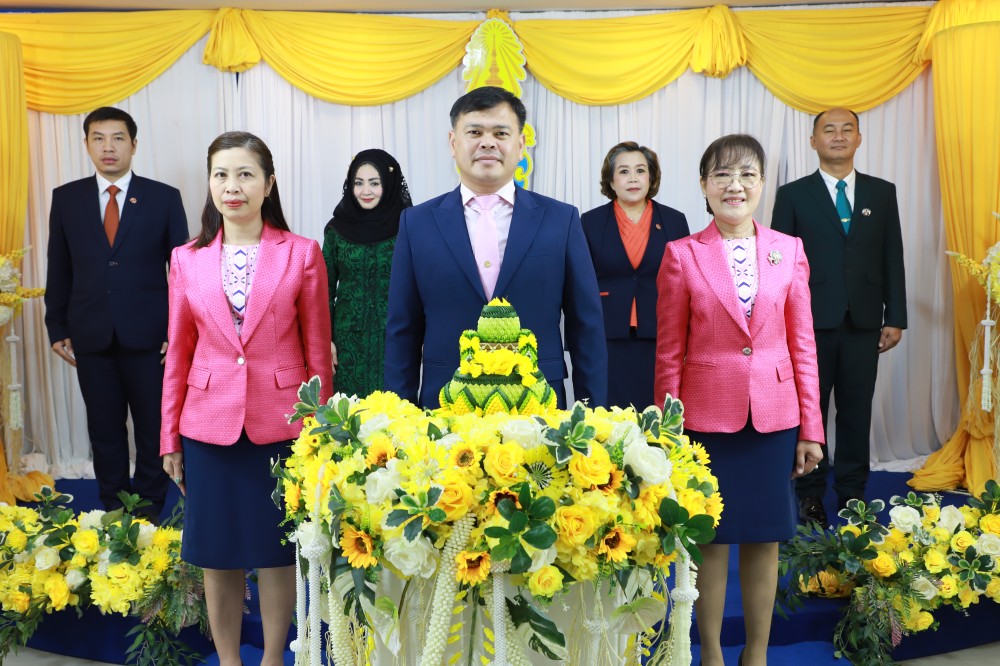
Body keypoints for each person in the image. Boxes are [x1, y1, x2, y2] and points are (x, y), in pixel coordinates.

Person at [160, 132, 332, 666]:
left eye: (245, 175)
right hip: (207, 426)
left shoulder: (301, 253)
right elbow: (178, 353)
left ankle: (273, 658)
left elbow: (318, 352)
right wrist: (169, 437)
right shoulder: (186, 259)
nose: (232, 186)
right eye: (221, 175)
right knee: (217, 556)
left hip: (282, 426)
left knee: (276, 553)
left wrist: (322, 431)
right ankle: (230, 660)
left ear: (268, 184)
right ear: (209, 183)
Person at [653, 134, 824, 666]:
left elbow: (802, 345)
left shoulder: (788, 250)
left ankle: (757, 654)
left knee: (765, 538)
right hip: (706, 419)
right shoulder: (682, 255)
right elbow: (669, 352)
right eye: (722, 175)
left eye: (747, 174)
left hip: (775, 416)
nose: (735, 185)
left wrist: (812, 428)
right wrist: (668, 431)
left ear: (762, 184)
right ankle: (710, 654)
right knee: (709, 538)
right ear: (704, 186)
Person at [384, 86, 607, 408]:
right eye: (474, 132)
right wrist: (399, 415)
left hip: (539, 406)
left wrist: (592, 412)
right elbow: (402, 330)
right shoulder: (416, 223)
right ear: (453, 143)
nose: (487, 142)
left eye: (500, 133)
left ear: (520, 144)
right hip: (445, 405)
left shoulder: (561, 220)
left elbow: (586, 326)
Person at [44, 106, 188, 520]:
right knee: (104, 430)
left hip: (151, 338)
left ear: (134, 144)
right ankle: (114, 513)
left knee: (152, 429)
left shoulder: (163, 197)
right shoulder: (66, 198)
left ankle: (148, 513)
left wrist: (178, 331)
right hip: (89, 334)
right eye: (99, 138)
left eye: (118, 138)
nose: (108, 147)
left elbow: (182, 273)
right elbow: (59, 266)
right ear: (87, 144)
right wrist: (57, 325)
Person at [772, 108, 907, 526]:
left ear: (859, 139)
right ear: (813, 141)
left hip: (865, 322)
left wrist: (896, 316)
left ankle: (852, 495)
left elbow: (892, 256)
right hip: (807, 323)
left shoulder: (881, 193)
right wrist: (779, 321)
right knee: (809, 411)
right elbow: (779, 263)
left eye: (847, 129)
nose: (838, 136)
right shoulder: (793, 194)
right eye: (828, 130)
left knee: (856, 411)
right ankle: (810, 495)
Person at [582, 141, 689, 410]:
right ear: (611, 180)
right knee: (608, 414)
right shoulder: (590, 222)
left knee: (655, 411)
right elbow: (581, 283)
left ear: (651, 177)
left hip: (660, 332)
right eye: (624, 171)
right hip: (607, 334)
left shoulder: (674, 221)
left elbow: (685, 282)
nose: (633, 178)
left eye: (640, 170)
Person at [323, 149, 411, 398]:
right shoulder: (336, 230)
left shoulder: (407, 227)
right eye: (358, 183)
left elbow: (420, 288)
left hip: (395, 340)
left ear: (390, 184)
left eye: (374, 183)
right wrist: (325, 340)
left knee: (394, 411)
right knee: (348, 413)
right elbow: (323, 290)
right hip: (346, 344)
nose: (365, 191)